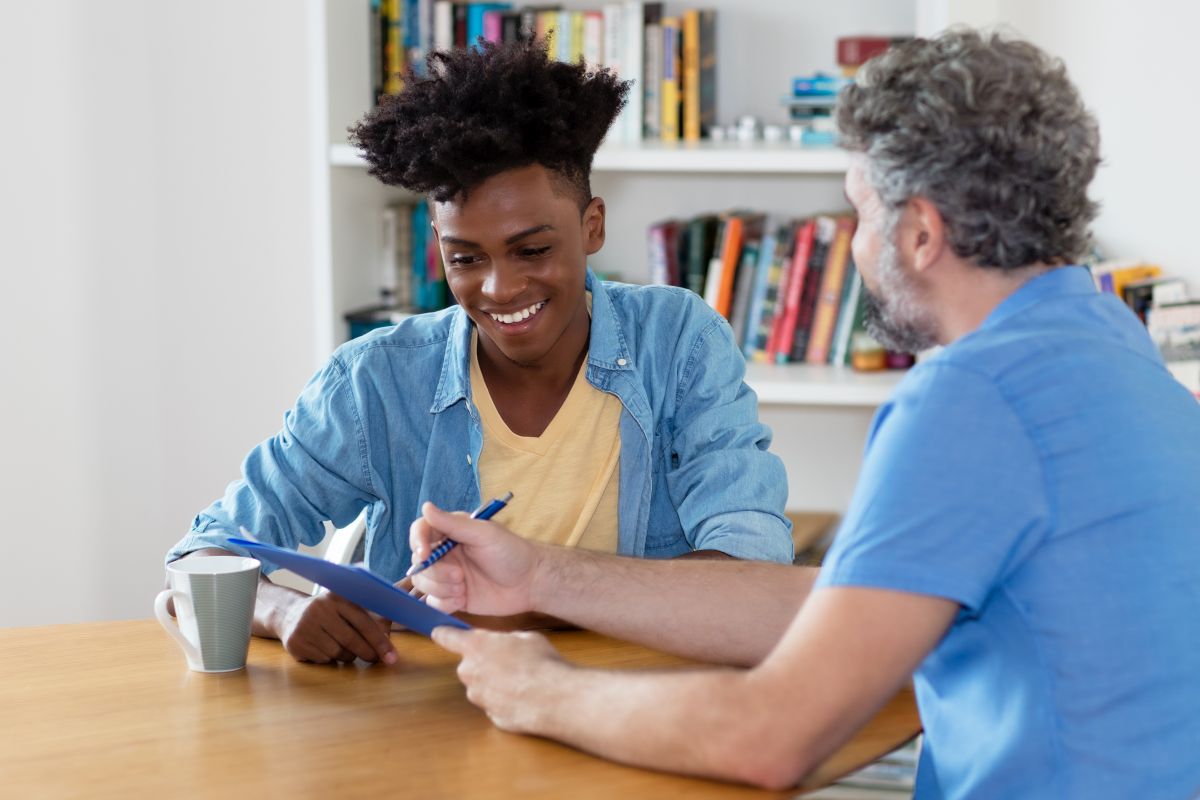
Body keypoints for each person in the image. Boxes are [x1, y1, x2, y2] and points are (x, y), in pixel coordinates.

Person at [409, 30, 1200, 799]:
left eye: (859, 214)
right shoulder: (1117, 351)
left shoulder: (974, 400)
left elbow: (770, 736)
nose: (854, 249)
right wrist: (542, 573)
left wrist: (543, 691)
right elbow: (840, 604)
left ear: (921, 233)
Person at [163, 40, 793, 666]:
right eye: (466, 258)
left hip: (636, 701)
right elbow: (201, 553)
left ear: (592, 226)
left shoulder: (677, 341)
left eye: (533, 250)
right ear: (438, 246)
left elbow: (754, 569)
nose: (500, 288)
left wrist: (533, 597)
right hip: (437, 718)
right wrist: (286, 610)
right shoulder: (374, 380)